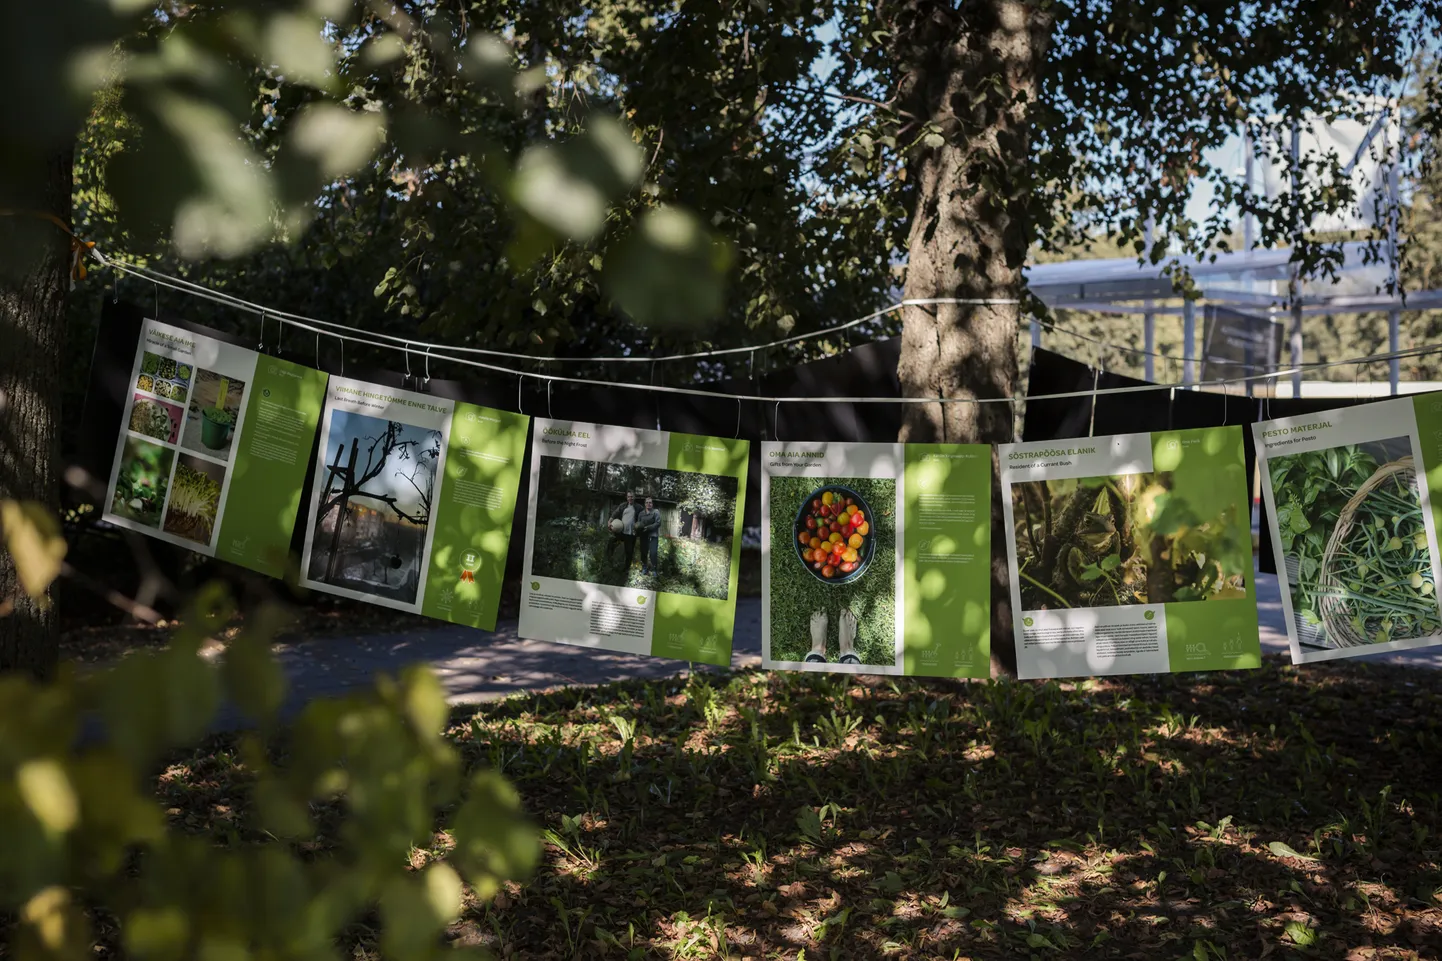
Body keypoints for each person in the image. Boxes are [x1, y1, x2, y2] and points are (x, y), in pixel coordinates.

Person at [607, 491, 639, 573]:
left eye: (632, 496)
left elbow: (643, 516)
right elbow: (615, 513)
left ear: (634, 497)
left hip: (631, 534)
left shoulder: (638, 507)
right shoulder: (623, 506)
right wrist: (609, 522)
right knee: (611, 542)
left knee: (629, 551)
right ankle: (608, 560)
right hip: (621, 531)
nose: (630, 498)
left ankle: (626, 569)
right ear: (627, 498)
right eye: (629, 497)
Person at [636, 496, 662, 575]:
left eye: (650, 502)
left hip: (653, 536)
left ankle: (654, 569)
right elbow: (638, 524)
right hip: (643, 536)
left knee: (653, 553)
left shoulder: (656, 512)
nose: (648, 504)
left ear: (652, 504)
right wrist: (637, 530)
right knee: (643, 552)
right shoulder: (641, 514)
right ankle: (644, 568)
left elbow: (658, 523)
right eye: (647, 502)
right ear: (645, 504)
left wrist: (648, 528)